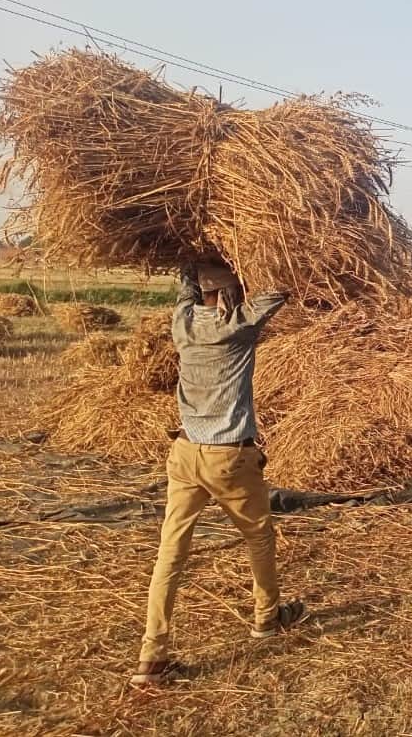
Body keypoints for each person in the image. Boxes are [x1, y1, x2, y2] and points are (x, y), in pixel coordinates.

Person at [131, 263, 304, 685]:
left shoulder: (182, 323)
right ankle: (267, 617)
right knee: (259, 536)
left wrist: (196, 257)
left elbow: (185, 287)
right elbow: (284, 284)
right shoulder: (238, 326)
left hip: (184, 453)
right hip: (229, 458)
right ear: (230, 295)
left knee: (170, 551)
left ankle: (151, 655)